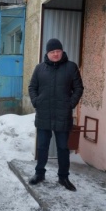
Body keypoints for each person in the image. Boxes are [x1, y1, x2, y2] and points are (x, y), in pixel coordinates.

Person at [28, 38, 84, 191]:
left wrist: (70, 104)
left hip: (62, 115)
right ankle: (39, 174)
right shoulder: (40, 68)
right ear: (47, 53)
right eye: (52, 52)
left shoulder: (71, 67)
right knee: (42, 146)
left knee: (63, 148)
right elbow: (32, 87)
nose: (55, 54)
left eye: (58, 51)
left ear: (62, 51)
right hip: (43, 114)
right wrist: (36, 101)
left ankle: (63, 177)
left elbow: (78, 88)